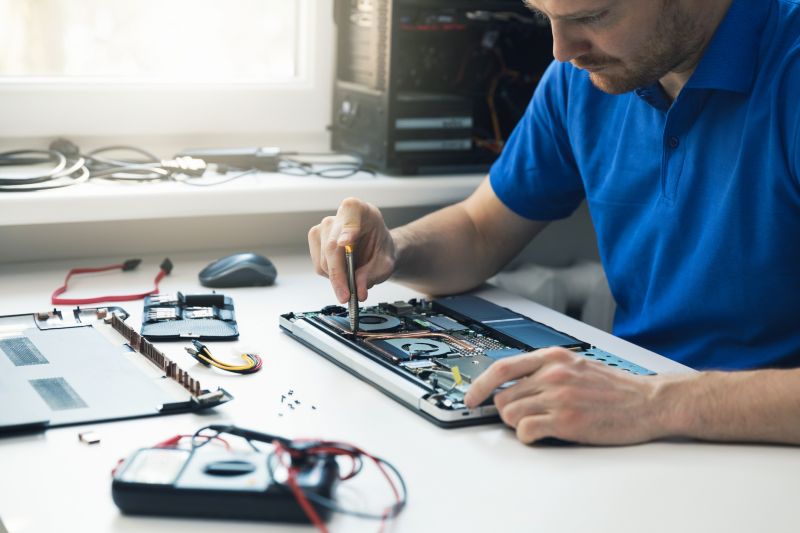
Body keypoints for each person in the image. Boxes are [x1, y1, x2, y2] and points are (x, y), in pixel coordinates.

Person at [308, 0, 800, 445]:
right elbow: (481, 231)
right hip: (646, 423)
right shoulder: (586, 79)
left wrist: (654, 401)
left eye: (593, 17)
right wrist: (393, 247)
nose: (562, 51)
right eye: (545, 16)